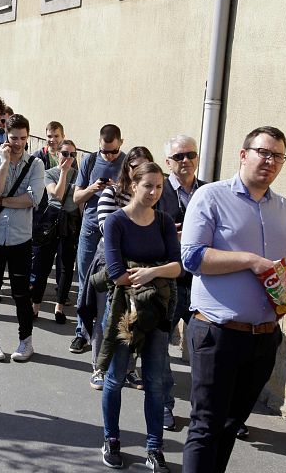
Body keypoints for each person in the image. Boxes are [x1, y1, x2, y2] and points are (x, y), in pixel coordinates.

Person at [180, 126, 286, 472]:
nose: (270, 161)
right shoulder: (210, 196)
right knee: (206, 427)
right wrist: (249, 260)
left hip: (263, 338)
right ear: (243, 154)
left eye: (278, 156)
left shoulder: (282, 207)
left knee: (228, 427)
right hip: (217, 333)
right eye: (263, 152)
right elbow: (191, 258)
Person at [97, 162, 182, 472]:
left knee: (155, 383)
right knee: (116, 378)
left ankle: (154, 448)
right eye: (148, 186)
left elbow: (177, 267)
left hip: (158, 312)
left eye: (159, 187)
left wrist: (150, 272)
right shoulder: (117, 222)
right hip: (124, 312)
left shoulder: (162, 220)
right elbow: (117, 274)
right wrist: (151, 275)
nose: (154, 192)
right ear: (133, 185)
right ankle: (112, 440)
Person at [0, 114, 45, 362]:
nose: (18, 143)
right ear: (5, 136)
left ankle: (25, 341)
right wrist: (5, 163)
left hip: (21, 237)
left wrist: (3, 201)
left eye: (23, 138)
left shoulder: (35, 165)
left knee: (21, 293)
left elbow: (32, 199)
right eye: (13, 138)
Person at [92, 146, 155, 391]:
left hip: (140, 267)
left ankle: (128, 368)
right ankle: (99, 367)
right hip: (110, 264)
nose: (139, 171)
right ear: (126, 169)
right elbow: (109, 233)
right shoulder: (111, 194)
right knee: (105, 316)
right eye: (134, 166)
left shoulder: (151, 198)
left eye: (145, 165)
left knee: (133, 317)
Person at [157, 134, 205, 431]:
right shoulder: (158, 191)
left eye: (190, 155)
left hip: (201, 284)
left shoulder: (208, 192)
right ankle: (164, 404)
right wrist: (167, 237)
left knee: (206, 352)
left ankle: (210, 411)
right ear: (168, 163)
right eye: (179, 157)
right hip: (168, 281)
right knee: (161, 346)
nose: (186, 161)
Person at [70, 125, 126, 355]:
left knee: (112, 285)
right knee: (85, 283)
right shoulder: (90, 161)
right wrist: (94, 188)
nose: (109, 156)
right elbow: (76, 198)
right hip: (91, 229)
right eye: (105, 151)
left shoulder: (128, 163)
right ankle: (81, 333)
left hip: (117, 233)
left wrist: (117, 189)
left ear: (121, 143)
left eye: (113, 152)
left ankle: (103, 336)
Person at [29, 139, 82, 324]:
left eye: (72, 155)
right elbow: (56, 195)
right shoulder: (49, 173)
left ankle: (59, 308)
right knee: (43, 265)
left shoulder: (79, 175)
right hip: (51, 220)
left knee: (66, 266)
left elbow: (80, 202)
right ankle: (35, 306)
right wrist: (63, 173)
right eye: (65, 153)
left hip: (70, 222)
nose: (68, 158)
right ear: (58, 154)